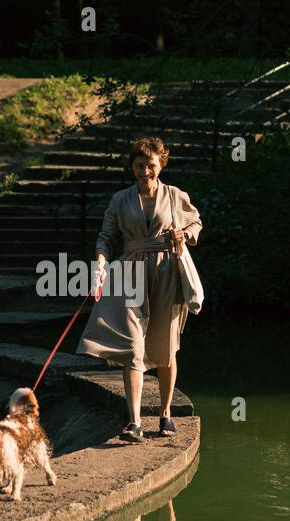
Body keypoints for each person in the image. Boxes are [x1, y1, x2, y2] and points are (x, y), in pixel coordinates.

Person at [77, 135, 202, 441]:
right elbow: (105, 237)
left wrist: (182, 235)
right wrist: (101, 264)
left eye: (150, 165)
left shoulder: (174, 195)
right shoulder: (120, 200)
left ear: (161, 164)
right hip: (130, 272)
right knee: (133, 348)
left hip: (166, 272)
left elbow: (196, 224)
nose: (144, 171)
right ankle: (134, 421)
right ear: (131, 167)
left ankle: (165, 414)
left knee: (166, 348)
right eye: (138, 165)